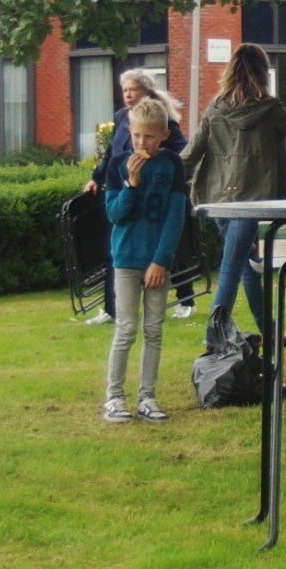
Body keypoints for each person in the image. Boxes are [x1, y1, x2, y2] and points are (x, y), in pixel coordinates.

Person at [181, 43, 286, 349]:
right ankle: (212, 337)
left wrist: (157, 165)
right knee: (232, 267)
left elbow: (191, 154)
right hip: (252, 201)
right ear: (262, 73)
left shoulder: (216, 107)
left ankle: (272, 333)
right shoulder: (270, 109)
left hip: (217, 200)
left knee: (246, 265)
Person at [83, 69, 197, 325]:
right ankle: (112, 309)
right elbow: (111, 154)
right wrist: (97, 177)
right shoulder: (122, 117)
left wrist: (162, 164)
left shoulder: (160, 119)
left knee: (167, 245)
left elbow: (182, 151)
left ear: (145, 92)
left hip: (158, 192)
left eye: (132, 89)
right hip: (126, 189)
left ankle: (185, 298)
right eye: (124, 90)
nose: (128, 95)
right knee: (118, 244)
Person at [101, 97, 188, 423]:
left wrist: (160, 261)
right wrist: (131, 185)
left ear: (163, 135)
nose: (141, 143)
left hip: (156, 261)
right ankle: (113, 398)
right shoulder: (117, 165)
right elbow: (115, 215)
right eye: (136, 136)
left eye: (149, 136)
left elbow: (175, 217)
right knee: (125, 329)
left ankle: (147, 397)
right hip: (125, 259)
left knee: (154, 330)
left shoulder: (172, 165)